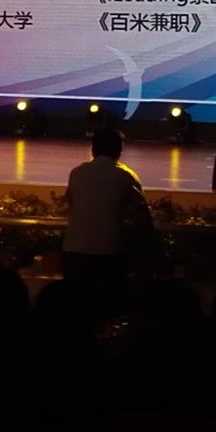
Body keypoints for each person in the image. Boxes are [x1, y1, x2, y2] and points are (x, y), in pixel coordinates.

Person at [61, 125, 152, 322]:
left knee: (76, 309)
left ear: (93, 149)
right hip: (109, 251)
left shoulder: (76, 173)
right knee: (109, 309)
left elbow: (70, 204)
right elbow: (142, 215)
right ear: (119, 150)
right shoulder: (126, 176)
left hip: (74, 250)